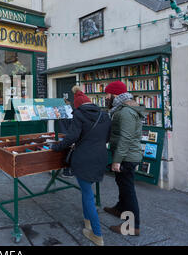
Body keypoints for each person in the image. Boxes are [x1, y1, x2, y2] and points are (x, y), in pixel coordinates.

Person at [51, 86, 111, 246]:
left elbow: (71, 137)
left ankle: (97, 235)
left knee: (87, 195)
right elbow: (107, 138)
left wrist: (56, 147)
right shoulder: (104, 115)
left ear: (77, 105)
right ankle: (87, 222)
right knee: (87, 191)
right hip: (100, 157)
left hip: (84, 158)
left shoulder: (78, 115)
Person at [103, 81, 145, 236]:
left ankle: (133, 226)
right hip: (125, 155)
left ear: (115, 95)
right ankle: (120, 208)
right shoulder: (121, 109)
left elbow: (125, 138)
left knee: (128, 189)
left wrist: (117, 160)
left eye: (107, 94)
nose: (106, 97)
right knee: (122, 184)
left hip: (126, 157)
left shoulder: (125, 112)